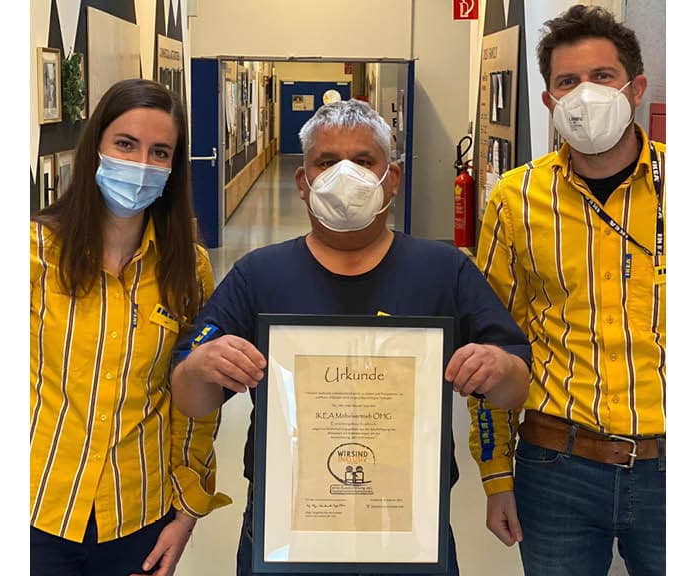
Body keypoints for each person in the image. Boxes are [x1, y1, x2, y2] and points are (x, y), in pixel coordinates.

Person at [170, 99, 533, 576]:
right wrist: (201, 367)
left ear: (391, 178)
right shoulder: (258, 275)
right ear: (304, 183)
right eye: (326, 162)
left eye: (363, 161)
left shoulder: (444, 272)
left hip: (409, 525)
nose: (345, 174)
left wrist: (499, 368)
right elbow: (191, 399)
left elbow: (515, 386)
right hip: (285, 524)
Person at [470, 5, 666, 575]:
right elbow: (492, 345)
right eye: (567, 81)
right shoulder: (515, 199)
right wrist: (496, 475)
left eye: (602, 76)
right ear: (549, 100)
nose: (585, 93)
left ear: (635, 89)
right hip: (557, 466)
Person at [30, 78, 231, 576]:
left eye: (159, 152)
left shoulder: (189, 269)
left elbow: (195, 405)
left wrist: (187, 511)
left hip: (137, 514)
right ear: (95, 147)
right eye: (125, 144)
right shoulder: (34, 253)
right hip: (36, 506)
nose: (141, 165)